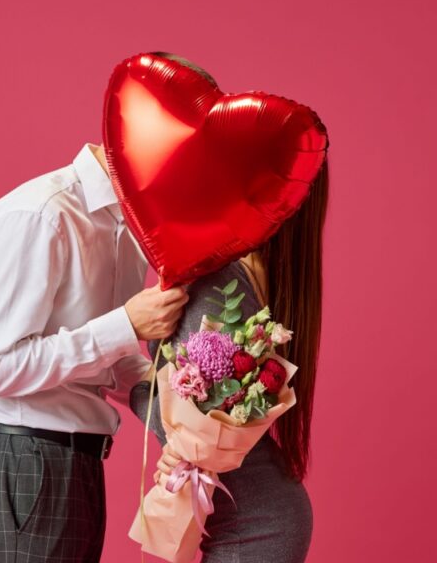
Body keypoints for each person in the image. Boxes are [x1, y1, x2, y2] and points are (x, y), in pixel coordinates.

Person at [130, 51, 330, 563]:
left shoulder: (218, 281)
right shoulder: (269, 279)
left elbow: (192, 422)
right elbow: (211, 415)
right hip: (262, 513)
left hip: (252, 525)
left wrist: (118, 381)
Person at [0, 141, 189, 562]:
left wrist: (181, 399)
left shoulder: (128, 229)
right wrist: (126, 325)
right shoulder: (39, 213)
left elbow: (103, 358)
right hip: (24, 467)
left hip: (77, 467)